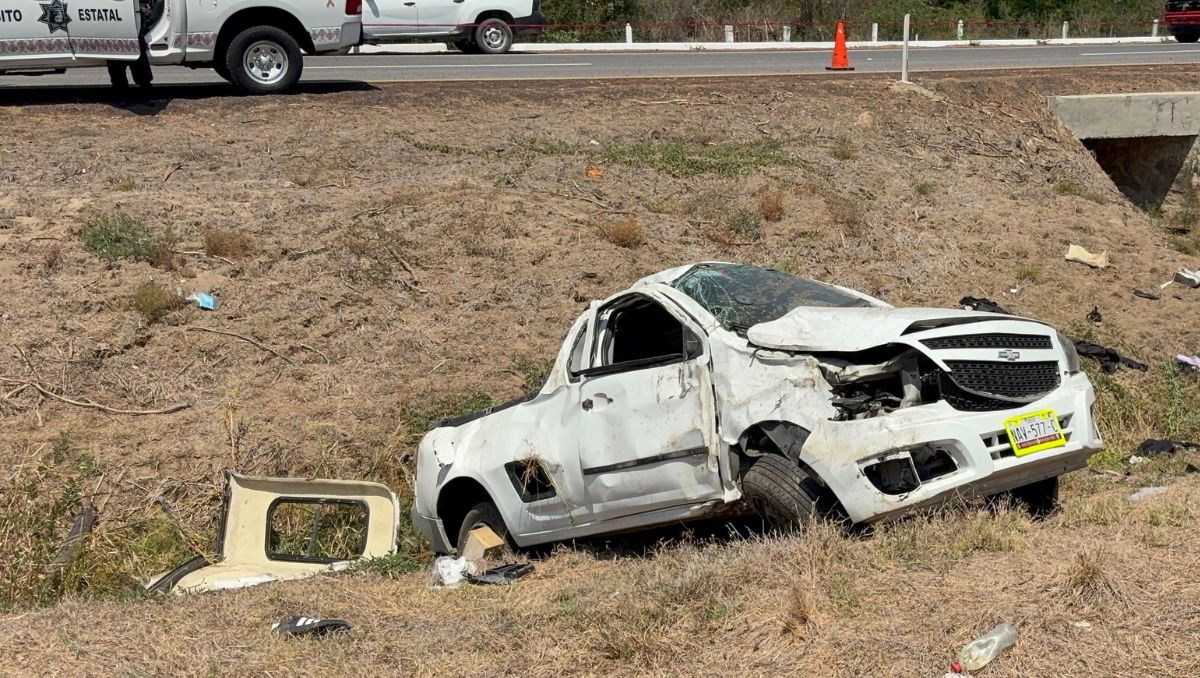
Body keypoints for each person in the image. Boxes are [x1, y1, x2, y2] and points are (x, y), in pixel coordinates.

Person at [107, 0, 160, 102]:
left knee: (136, 60)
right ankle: (123, 95)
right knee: (117, 63)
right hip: (114, 19)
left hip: (130, 17)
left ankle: (145, 93)